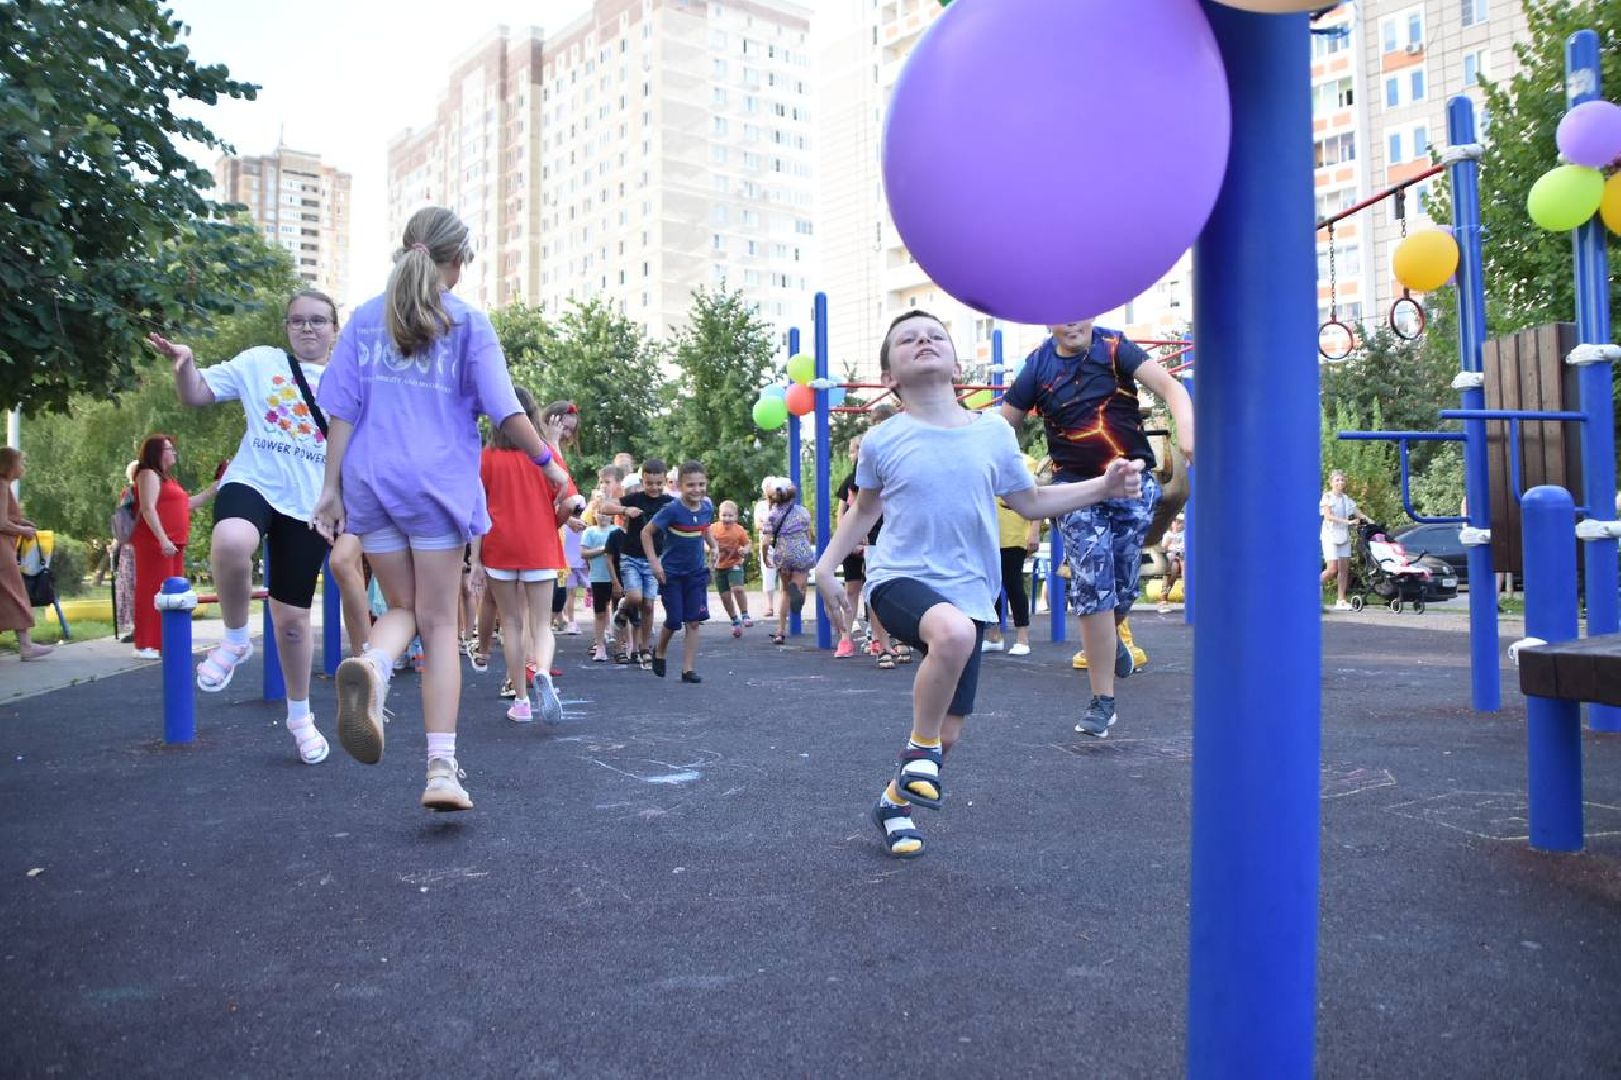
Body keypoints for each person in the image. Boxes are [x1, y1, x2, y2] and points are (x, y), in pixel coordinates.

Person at [817, 311, 1142, 859]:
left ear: (956, 363)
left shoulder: (993, 431)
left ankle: (893, 802)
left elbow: (1030, 501)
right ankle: (917, 750)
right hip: (900, 579)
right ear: (889, 375)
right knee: (951, 637)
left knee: (950, 736)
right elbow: (863, 510)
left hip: (972, 592)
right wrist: (826, 567)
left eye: (934, 336)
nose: (923, 341)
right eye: (907, 339)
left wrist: (1100, 486)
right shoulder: (881, 440)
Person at [310, 206, 570, 812]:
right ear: (456, 262)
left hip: (372, 483)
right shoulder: (467, 322)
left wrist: (332, 488)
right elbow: (508, 413)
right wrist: (549, 465)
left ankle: (373, 663)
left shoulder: (364, 321)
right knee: (441, 622)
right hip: (436, 487)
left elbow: (341, 411)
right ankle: (441, 771)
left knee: (402, 609)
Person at [149, 289, 354, 764]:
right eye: (298, 320)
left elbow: (360, 455)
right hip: (254, 481)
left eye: (318, 321)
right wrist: (184, 364)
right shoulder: (261, 362)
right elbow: (197, 394)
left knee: (294, 624)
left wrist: (344, 502)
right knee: (230, 540)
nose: (308, 328)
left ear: (334, 329)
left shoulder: (350, 382)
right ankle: (237, 638)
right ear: (286, 327)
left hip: (309, 506)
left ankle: (300, 716)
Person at [1000, 318, 1193, 737]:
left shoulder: (1114, 347)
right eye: (1062, 314)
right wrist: (1001, 473)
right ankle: (1102, 701)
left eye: (1080, 310)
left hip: (1130, 482)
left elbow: (1172, 388)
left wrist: (1189, 438)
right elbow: (1002, 426)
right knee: (1092, 582)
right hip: (1076, 489)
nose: (1072, 321)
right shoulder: (1038, 366)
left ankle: (1114, 637)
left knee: (1122, 583)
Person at [471, 386, 574, 725]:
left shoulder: (485, 456)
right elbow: (570, 500)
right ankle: (541, 671)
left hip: (499, 546)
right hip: (540, 546)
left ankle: (520, 699)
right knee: (541, 624)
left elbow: (478, 508)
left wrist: (476, 562)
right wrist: (554, 519)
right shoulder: (544, 453)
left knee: (511, 624)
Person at [129, 434, 218, 659]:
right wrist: (162, 538)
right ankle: (146, 643)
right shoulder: (148, 474)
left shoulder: (166, 479)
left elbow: (188, 503)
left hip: (173, 542)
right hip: (157, 543)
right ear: (157, 453)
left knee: (171, 593)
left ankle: (164, 641)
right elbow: (148, 508)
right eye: (169, 449)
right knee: (153, 589)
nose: (174, 452)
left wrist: (216, 487)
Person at [644, 460, 720, 682]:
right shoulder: (672, 510)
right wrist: (654, 563)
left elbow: (704, 528)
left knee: (694, 621)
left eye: (701, 484)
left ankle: (688, 669)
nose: (697, 490)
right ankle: (660, 650)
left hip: (696, 573)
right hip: (671, 574)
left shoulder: (707, 507)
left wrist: (713, 545)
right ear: (679, 486)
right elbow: (646, 533)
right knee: (675, 620)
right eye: (691, 486)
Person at [598, 459, 673, 668]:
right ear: (643, 481)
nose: (654, 487)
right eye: (650, 483)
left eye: (659, 483)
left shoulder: (669, 502)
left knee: (648, 605)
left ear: (665, 481)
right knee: (635, 597)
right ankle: (622, 611)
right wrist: (624, 511)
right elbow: (605, 507)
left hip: (653, 559)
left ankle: (644, 648)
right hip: (630, 557)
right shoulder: (634, 499)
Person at [982, 454, 1042, 656]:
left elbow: (1036, 497)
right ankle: (994, 635)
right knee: (992, 587)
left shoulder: (1025, 461)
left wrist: (1034, 531)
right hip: (989, 534)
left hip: (1014, 534)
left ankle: (1022, 638)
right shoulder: (983, 459)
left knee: (1013, 584)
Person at [0, 448, 52, 661]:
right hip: (2, 550)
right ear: (9, 466)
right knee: (15, 592)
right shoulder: (1, 486)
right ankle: (26, 646)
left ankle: (26, 645)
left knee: (7, 594)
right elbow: (1, 522)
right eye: (21, 463)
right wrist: (23, 531)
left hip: (6, 546)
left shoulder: (4, 486)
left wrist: (21, 522)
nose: (24, 468)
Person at [761, 480, 815, 646]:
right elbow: (808, 534)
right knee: (801, 585)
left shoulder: (771, 515)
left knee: (784, 592)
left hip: (783, 554)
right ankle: (799, 591)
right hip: (800, 552)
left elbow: (765, 541)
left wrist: (765, 558)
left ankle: (781, 630)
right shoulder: (803, 512)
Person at [1320, 469, 1369, 610]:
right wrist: (1347, 522)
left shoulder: (1346, 499)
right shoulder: (1327, 497)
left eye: (1342, 480)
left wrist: (1369, 521)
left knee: (1344, 569)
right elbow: (1328, 516)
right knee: (1332, 569)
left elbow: (1358, 512)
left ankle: (1341, 601)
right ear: (1331, 483)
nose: (1340, 482)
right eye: (1337, 480)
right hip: (1330, 536)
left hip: (1343, 536)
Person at [579, 498, 621, 662]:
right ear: (595, 515)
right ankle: (600, 645)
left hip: (616, 577)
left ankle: (620, 644)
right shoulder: (590, 532)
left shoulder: (617, 530)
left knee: (619, 612)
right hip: (598, 577)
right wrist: (603, 549)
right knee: (600, 613)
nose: (603, 516)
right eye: (600, 513)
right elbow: (584, 553)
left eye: (606, 513)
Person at [711, 500, 752, 637]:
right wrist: (711, 549)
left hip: (735, 563)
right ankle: (734, 620)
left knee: (738, 589)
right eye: (724, 515)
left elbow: (747, 545)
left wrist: (744, 550)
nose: (727, 519)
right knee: (725, 596)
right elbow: (705, 543)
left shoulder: (739, 530)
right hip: (719, 566)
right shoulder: (713, 528)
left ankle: (745, 614)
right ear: (719, 515)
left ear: (735, 516)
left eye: (730, 516)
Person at [112, 460, 139, 642]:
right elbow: (124, 522)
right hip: (133, 545)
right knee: (132, 586)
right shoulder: (130, 493)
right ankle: (138, 626)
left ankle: (137, 626)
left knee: (131, 586)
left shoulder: (129, 493)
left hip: (131, 545)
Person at [752, 477, 780, 619]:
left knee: (785, 575)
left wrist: (767, 523)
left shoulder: (783, 505)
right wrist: (769, 525)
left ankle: (784, 605)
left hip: (782, 543)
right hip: (767, 544)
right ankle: (769, 606)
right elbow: (758, 524)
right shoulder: (760, 506)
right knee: (768, 574)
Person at [1159, 515, 1186, 614]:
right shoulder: (1168, 534)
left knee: (1183, 564)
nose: (1180, 525)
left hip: (1182, 557)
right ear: (1172, 523)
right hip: (1171, 558)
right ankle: (1164, 597)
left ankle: (1186, 585)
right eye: (1177, 522)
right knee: (1173, 568)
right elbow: (1164, 547)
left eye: (1181, 523)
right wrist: (1169, 545)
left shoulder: (1184, 534)